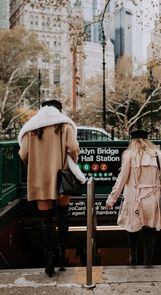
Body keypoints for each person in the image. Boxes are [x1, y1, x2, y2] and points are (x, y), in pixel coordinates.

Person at [18, 100, 80, 277]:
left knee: (44, 219)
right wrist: (71, 161)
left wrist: (36, 163)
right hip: (62, 178)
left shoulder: (32, 129)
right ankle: (61, 254)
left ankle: (49, 260)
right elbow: (74, 148)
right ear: (59, 110)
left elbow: (23, 154)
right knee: (63, 214)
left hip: (40, 179)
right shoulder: (64, 125)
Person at [106, 129, 161, 266]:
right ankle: (148, 261)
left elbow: (121, 179)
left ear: (133, 141)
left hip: (133, 199)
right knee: (150, 230)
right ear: (147, 141)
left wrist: (112, 199)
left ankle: (133, 257)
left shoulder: (129, 155)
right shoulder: (157, 154)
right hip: (151, 198)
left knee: (132, 228)